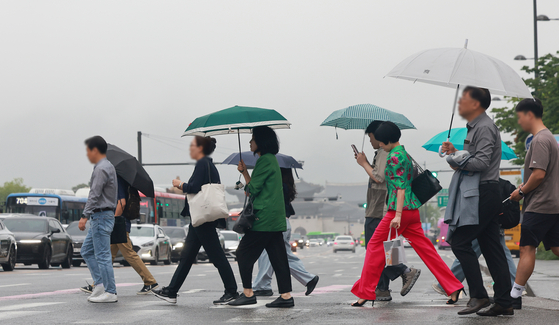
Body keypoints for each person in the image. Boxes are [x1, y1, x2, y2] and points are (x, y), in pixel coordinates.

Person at [351, 122, 463, 307]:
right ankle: (453, 286)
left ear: (386, 141)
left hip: (398, 212)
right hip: (413, 212)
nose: (379, 144)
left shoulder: (393, 158)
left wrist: (397, 215)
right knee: (427, 251)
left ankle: (365, 292)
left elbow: (401, 188)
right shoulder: (403, 153)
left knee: (374, 247)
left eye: (380, 142)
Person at [442, 87, 513, 316]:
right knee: (492, 249)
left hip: (483, 193)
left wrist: (455, 158)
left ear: (476, 104)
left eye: (465, 98)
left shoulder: (483, 127)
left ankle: (479, 295)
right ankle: (504, 301)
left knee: (459, 242)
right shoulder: (476, 127)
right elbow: (474, 157)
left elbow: (481, 163)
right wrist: (457, 152)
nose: (460, 102)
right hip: (485, 192)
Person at [152, 136, 238, 305]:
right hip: (198, 218)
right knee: (187, 256)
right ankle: (171, 291)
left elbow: (194, 187)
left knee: (217, 257)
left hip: (202, 219)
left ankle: (232, 291)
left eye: (193, 146)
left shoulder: (202, 164)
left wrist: (180, 184)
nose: (190, 149)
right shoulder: (209, 164)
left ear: (200, 148)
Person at [228, 126, 294, 308]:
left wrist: (245, 177)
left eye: (253, 139)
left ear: (261, 142)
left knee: (242, 253)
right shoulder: (271, 160)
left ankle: (248, 293)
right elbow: (256, 187)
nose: (250, 142)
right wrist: (245, 173)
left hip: (263, 219)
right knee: (278, 258)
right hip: (274, 218)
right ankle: (286, 296)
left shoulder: (264, 160)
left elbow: (251, 190)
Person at [355, 120, 420, 301]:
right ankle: (383, 287)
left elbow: (379, 177)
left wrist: (363, 163)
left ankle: (403, 272)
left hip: (381, 207)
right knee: (389, 246)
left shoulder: (386, 152)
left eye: (371, 137)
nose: (370, 141)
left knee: (375, 248)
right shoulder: (386, 152)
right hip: (386, 207)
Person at [509, 98, 559, 299]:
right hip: (552, 203)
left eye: (520, 117)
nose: (519, 122)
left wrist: (521, 192)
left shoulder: (539, 140)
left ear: (529, 114)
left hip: (539, 205)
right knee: (556, 248)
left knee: (526, 249)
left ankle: (514, 296)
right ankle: (515, 294)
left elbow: (538, 174)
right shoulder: (550, 139)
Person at [252, 168, 319, 297]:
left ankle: (262, 285)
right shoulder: (285, 186)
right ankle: (308, 279)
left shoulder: (278, 187)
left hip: (276, 224)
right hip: (283, 223)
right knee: (284, 257)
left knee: (268, 255)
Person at [79, 136, 118, 303]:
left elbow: (94, 194)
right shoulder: (106, 166)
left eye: (88, 151)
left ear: (95, 150)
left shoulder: (101, 169)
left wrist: (83, 216)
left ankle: (110, 292)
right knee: (86, 251)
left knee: (102, 256)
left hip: (100, 216)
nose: (87, 155)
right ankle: (100, 284)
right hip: (101, 216)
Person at [110, 177, 159, 294]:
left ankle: (150, 281)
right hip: (120, 223)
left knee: (129, 254)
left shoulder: (118, 181)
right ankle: (97, 283)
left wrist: (113, 222)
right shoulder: (124, 180)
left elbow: (121, 203)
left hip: (119, 224)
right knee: (108, 256)